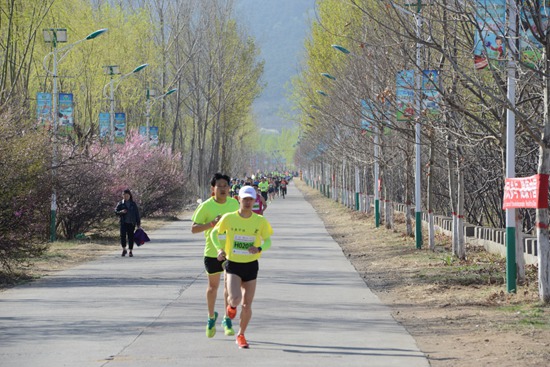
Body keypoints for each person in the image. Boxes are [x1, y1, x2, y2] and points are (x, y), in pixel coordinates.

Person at [211, 185, 273, 349]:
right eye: (244, 199)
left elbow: (268, 241)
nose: (247, 202)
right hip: (233, 265)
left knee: (247, 305)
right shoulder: (229, 218)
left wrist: (259, 248)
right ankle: (231, 308)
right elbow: (213, 233)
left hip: (251, 265)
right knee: (236, 299)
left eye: (250, 199)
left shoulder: (260, 221)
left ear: (254, 201)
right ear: (239, 199)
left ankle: (241, 335)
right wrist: (219, 249)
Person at [191, 173, 240, 338]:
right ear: (213, 188)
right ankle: (211, 317)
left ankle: (227, 319)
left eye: (226, 185)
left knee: (228, 287)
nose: (223, 188)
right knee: (213, 288)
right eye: (219, 186)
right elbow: (194, 228)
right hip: (212, 252)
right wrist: (212, 223)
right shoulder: (206, 206)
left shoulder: (234, 203)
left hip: (231, 253)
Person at [114, 189, 141, 257]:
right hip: (123, 222)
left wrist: (138, 224)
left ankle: (130, 251)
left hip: (131, 223)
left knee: (130, 237)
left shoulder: (133, 204)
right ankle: (124, 249)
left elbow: (137, 214)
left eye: (127, 195)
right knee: (122, 236)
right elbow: (115, 212)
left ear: (130, 195)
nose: (126, 197)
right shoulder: (120, 203)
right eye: (124, 195)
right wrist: (121, 212)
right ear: (122, 196)